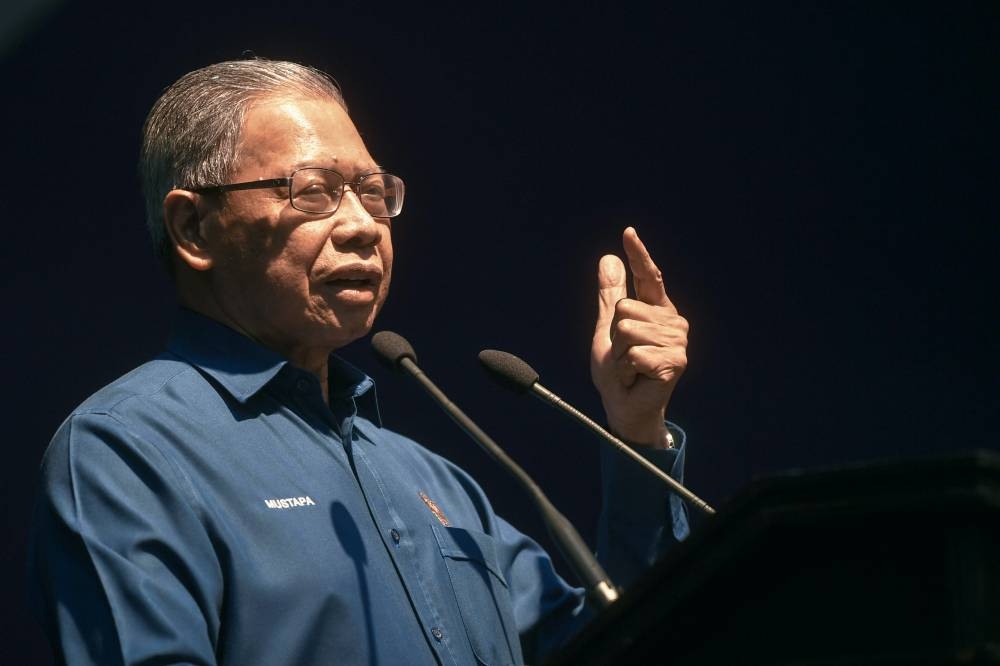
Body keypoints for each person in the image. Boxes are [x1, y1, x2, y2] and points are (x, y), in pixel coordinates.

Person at [28, 58, 692, 666]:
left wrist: (636, 429)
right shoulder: (127, 451)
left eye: (373, 193)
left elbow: (622, 643)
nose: (361, 225)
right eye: (313, 191)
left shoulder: (435, 482)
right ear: (195, 229)